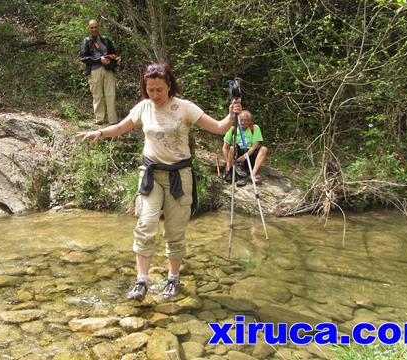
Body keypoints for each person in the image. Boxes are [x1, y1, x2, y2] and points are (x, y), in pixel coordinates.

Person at [77, 63, 242, 301]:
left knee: (175, 231)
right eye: (150, 89)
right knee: (145, 224)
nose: (154, 95)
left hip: (179, 175)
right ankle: (141, 281)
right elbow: (123, 126)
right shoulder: (144, 107)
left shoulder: (185, 108)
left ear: (169, 87)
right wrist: (100, 133)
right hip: (151, 174)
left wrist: (231, 114)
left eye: (159, 90)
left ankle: (173, 278)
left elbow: (218, 128)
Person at [79, 19, 121, 125]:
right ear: (89, 28)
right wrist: (99, 60)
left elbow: (114, 54)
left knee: (110, 94)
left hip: (108, 70)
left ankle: (113, 120)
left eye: (95, 27)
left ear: (99, 27)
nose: (94, 29)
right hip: (94, 70)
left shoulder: (106, 40)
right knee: (97, 96)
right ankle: (99, 120)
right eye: (92, 27)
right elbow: (83, 58)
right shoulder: (86, 41)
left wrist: (117, 60)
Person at [222, 110, 268, 186]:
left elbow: (255, 146)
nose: (243, 122)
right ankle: (229, 170)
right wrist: (227, 162)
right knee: (232, 148)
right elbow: (225, 147)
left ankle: (253, 175)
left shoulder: (254, 128)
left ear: (249, 121)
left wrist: (245, 156)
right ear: (238, 120)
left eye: (245, 120)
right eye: (241, 120)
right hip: (238, 154)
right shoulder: (233, 129)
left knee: (264, 149)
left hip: (250, 153)